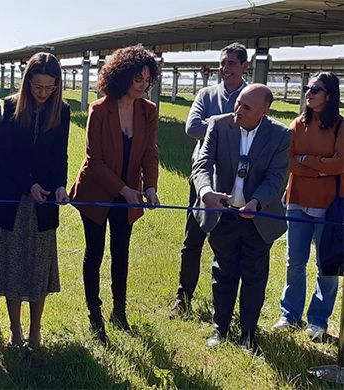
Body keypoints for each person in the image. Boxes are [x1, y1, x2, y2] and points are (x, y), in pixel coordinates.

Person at [69, 44, 160, 345]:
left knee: (121, 252)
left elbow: (149, 152)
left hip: (129, 194)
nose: (144, 84)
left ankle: (119, 312)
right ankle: (94, 315)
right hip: (97, 191)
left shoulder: (148, 111)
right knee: (94, 253)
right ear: (122, 76)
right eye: (138, 78)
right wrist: (124, 190)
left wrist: (149, 188)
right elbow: (94, 160)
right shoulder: (99, 110)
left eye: (148, 79)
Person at [194, 84, 290, 352]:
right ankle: (219, 329)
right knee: (222, 273)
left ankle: (248, 334)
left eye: (246, 107)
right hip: (224, 215)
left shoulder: (280, 135)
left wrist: (256, 202)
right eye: (237, 103)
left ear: (264, 111)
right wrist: (205, 192)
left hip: (257, 219)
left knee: (254, 276)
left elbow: (277, 177)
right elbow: (202, 163)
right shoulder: (218, 125)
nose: (238, 110)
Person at [0, 52, 70, 347]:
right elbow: (4, 156)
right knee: (11, 264)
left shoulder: (63, 111)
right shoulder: (9, 107)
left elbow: (61, 156)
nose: (44, 94)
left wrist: (59, 186)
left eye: (50, 88)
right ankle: (16, 330)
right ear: (27, 83)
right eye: (38, 87)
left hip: (43, 202)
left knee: (38, 267)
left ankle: (35, 331)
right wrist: (28, 183)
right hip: (12, 198)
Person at [172, 42, 249, 317]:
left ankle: (224, 306)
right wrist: (228, 120)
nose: (224, 68)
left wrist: (214, 126)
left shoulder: (252, 95)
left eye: (231, 63)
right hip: (203, 177)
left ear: (244, 66)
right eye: (222, 62)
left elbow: (253, 130)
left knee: (228, 245)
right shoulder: (206, 94)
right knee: (192, 239)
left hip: (235, 182)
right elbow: (192, 127)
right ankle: (183, 298)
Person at [272, 72, 343, 341]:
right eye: (307, 88)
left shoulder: (340, 126)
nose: (309, 93)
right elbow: (287, 161)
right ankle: (289, 315)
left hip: (328, 205)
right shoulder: (296, 124)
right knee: (295, 262)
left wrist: (306, 161)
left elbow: (341, 164)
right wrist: (320, 168)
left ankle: (318, 320)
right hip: (297, 201)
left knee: (327, 265)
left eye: (316, 89)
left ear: (329, 94)